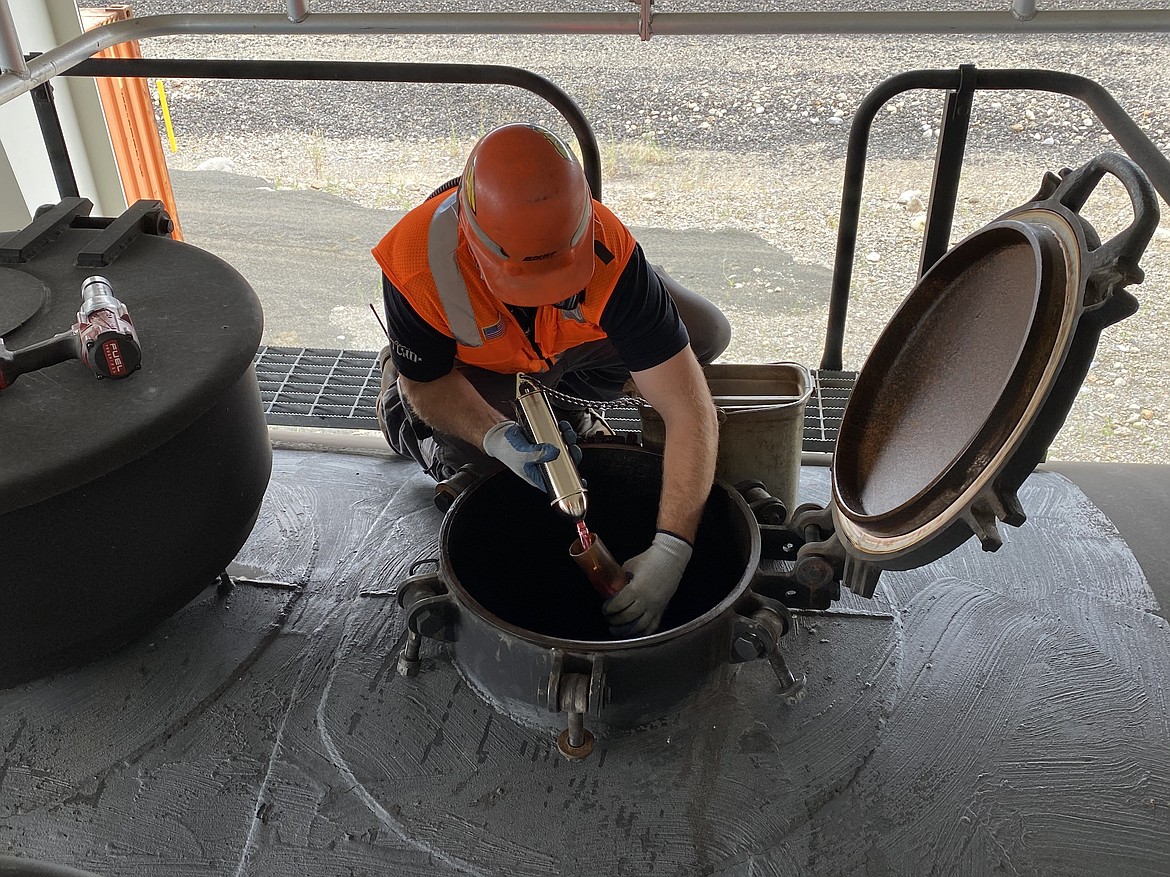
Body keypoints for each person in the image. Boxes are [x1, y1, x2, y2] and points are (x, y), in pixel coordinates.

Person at [371, 122, 730, 636]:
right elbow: (429, 387)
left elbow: (688, 408)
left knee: (702, 334)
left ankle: (553, 399)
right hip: (468, 371)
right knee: (471, 461)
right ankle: (399, 381)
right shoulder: (417, 262)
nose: (542, 293)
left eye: (557, 279)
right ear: (475, 244)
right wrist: (496, 437)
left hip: (557, 349)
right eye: (525, 282)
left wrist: (673, 547)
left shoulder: (609, 252)